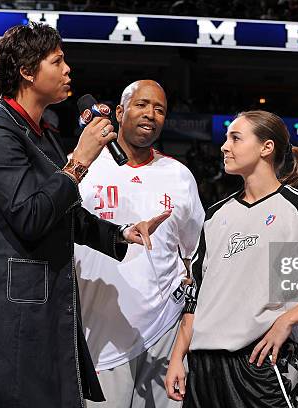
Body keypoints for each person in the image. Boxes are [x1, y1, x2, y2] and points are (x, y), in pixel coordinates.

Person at [0, 23, 170, 407]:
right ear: (28, 72)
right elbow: (30, 215)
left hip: (41, 300)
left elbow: (62, 209)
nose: (68, 71)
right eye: (57, 61)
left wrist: (119, 234)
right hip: (6, 309)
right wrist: (79, 160)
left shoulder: (43, 133)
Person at [164, 110, 298, 408]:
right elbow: (196, 297)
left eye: (236, 138)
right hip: (204, 369)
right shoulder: (216, 215)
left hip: (261, 363)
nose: (224, 146)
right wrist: (178, 357)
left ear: (266, 147)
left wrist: (287, 320)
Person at [75, 79, 205, 408]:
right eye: (142, 104)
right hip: (100, 330)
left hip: (164, 329)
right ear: (119, 112)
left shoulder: (179, 176)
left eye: (159, 109)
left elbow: (195, 252)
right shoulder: (83, 167)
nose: (151, 114)